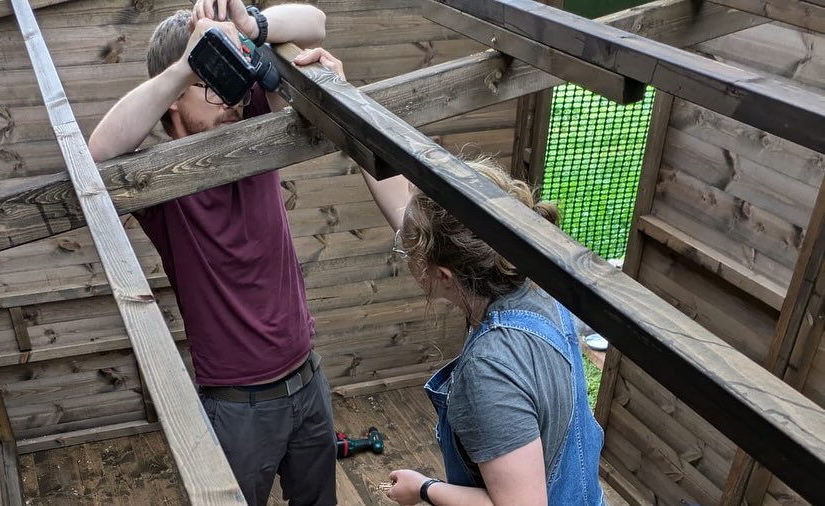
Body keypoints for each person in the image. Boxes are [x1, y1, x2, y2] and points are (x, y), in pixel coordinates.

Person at [87, 1, 345, 504]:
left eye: (233, 80)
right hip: (238, 407)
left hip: (308, 381)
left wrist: (252, 25)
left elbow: (315, 22)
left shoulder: (248, 120)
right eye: (211, 81)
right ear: (173, 98)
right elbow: (96, 156)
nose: (231, 99)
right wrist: (186, 65)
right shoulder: (160, 181)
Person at [372, 157, 604, 505]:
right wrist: (361, 148)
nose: (407, 257)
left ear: (444, 276)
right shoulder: (538, 282)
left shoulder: (489, 370)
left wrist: (424, 488)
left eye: (410, 254)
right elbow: (425, 230)